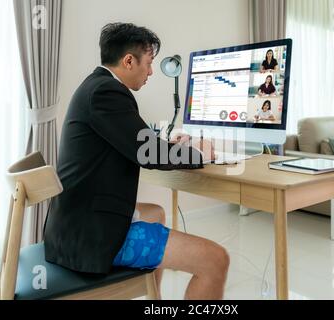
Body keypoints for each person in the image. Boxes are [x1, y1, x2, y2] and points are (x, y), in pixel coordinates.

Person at [43, 22, 229, 300]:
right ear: (129, 61)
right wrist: (200, 153)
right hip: (90, 237)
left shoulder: (96, 85)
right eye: (149, 63)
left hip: (72, 222)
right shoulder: (107, 93)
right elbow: (148, 153)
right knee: (216, 259)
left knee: (155, 212)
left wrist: (167, 145)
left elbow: (138, 143)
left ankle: (153, 297)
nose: (151, 72)